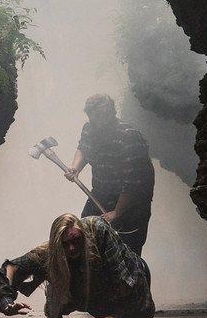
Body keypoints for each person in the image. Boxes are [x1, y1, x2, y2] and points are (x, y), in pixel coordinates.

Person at [0, 213, 155, 318]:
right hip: (89, 293)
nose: (71, 248)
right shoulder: (50, 252)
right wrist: (6, 302)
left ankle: (69, 296)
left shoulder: (97, 230)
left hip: (131, 273)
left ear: (83, 237)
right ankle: (61, 294)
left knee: (130, 305)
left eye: (75, 241)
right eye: (65, 244)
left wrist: (117, 315)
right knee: (56, 312)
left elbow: (127, 282)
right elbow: (11, 268)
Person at [65, 94, 154, 255]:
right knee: (84, 234)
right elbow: (84, 148)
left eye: (100, 117)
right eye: (92, 117)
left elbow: (133, 183)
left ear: (111, 114)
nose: (96, 123)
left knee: (126, 249)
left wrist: (117, 212)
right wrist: (75, 167)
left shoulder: (129, 137)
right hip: (100, 193)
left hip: (132, 204)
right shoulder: (90, 129)